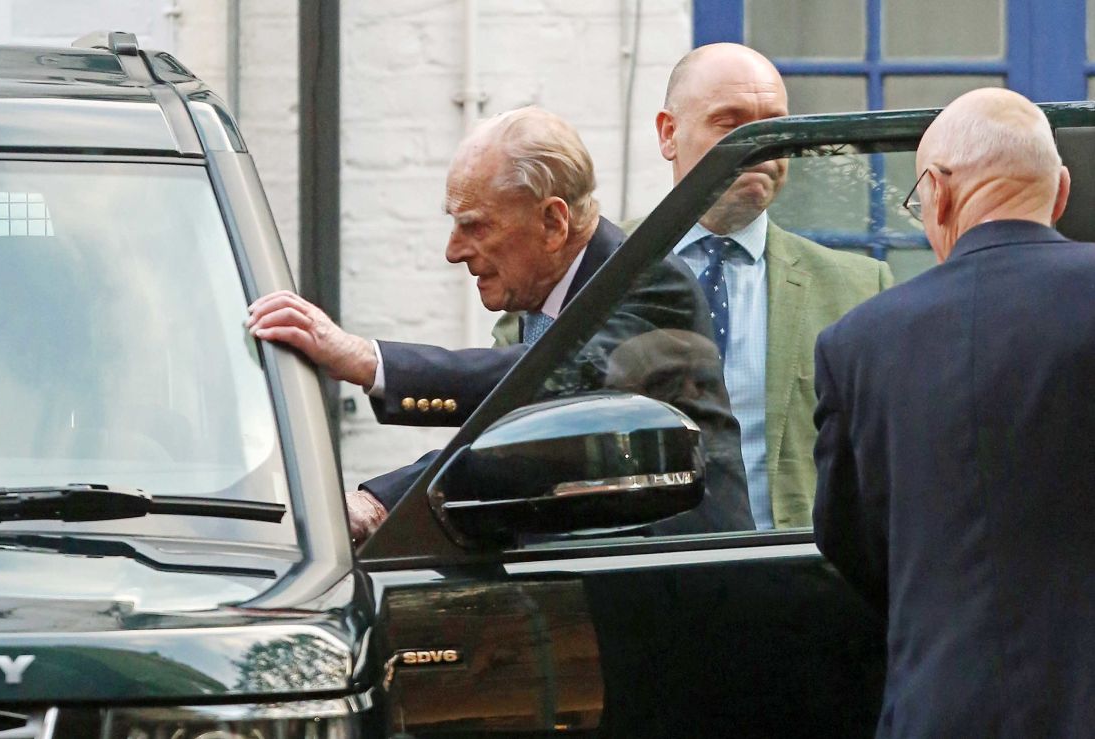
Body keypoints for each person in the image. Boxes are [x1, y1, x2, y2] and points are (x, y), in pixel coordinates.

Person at [248, 106, 753, 541]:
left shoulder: (648, 281)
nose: (453, 251)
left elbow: (544, 393)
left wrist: (366, 363)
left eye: (475, 225)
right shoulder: (537, 302)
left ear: (553, 223)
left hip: (680, 599)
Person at [812, 88, 1094, 737]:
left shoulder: (859, 343)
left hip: (944, 709)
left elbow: (850, 540)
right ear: (1060, 191)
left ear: (936, 194)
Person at [653, 43, 894, 530]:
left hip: (794, 582)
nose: (762, 145)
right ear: (669, 134)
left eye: (774, 125)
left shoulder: (860, 289)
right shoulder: (596, 273)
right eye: (732, 123)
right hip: (632, 579)